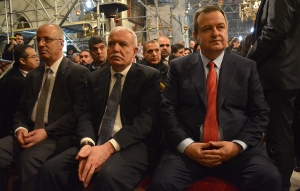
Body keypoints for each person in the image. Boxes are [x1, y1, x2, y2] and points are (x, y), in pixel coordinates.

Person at [149, 5, 281, 191]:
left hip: (237, 152)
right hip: (189, 151)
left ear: (227, 31)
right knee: (162, 184)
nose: (216, 33)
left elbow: (260, 113)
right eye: (207, 29)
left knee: (270, 179)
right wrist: (188, 146)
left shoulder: (246, 67)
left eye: (220, 27)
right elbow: (167, 111)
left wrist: (236, 146)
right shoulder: (178, 67)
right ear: (195, 36)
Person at [37, 26, 161, 191]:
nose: (115, 49)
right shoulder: (95, 77)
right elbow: (86, 114)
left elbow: (144, 122)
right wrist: (87, 142)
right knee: (51, 169)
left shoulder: (148, 76)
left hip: (132, 144)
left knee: (109, 175)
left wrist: (109, 147)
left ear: (135, 51)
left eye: (123, 44)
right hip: (95, 141)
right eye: (111, 44)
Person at [0, 24, 89, 191]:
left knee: (28, 160)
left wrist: (47, 132)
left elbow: (77, 113)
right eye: (39, 40)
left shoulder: (77, 73)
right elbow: (21, 110)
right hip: (29, 132)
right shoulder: (33, 75)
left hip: (57, 136)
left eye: (47, 39)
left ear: (61, 43)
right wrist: (20, 128)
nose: (41, 44)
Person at [246, 1, 300, 190]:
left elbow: (275, 30)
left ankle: (279, 186)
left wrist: (248, 61)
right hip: (290, 73)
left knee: (279, 137)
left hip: (280, 75)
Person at [0, 44, 40, 138]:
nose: (38, 59)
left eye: (37, 55)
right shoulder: (12, 81)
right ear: (22, 61)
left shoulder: (38, 74)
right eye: (33, 57)